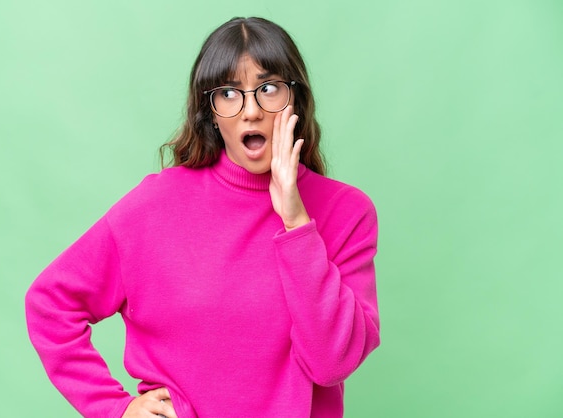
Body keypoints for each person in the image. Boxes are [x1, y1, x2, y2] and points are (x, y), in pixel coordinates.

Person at [25, 16, 380, 418]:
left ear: (295, 98)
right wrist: (116, 408)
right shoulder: (155, 205)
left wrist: (297, 224)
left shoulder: (347, 213)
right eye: (229, 93)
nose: (250, 111)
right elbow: (50, 304)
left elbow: (331, 363)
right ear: (211, 111)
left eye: (268, 89)